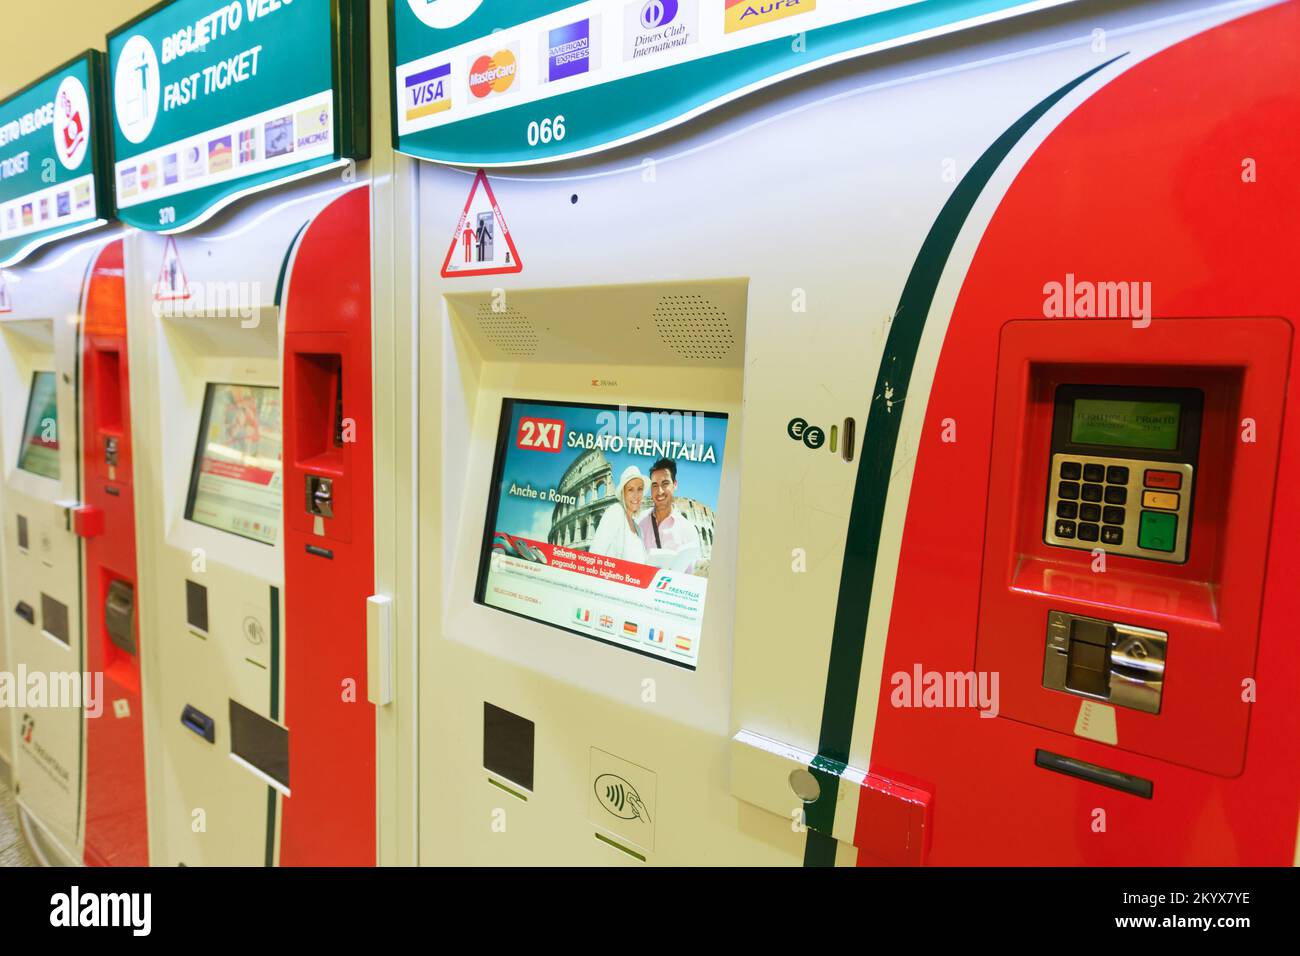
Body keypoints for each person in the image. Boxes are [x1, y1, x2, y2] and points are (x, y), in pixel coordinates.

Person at [639, 458, 703, 574]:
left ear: (675, 485)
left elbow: (691, 576)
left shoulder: (688, 531)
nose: (659, 491)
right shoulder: (639, 522)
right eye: (654, 485)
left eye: (665, 484)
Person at [589, 465, 649, 563]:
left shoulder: (639, 530)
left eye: (639, 489)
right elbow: (595, 554)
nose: (636, 495)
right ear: (623, 493)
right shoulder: (615, 512)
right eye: (630, 489)